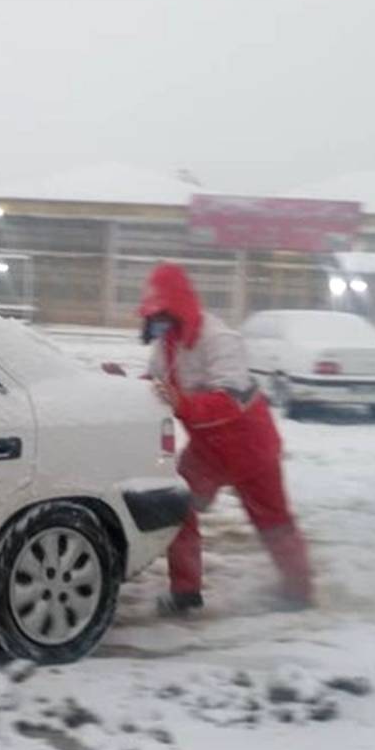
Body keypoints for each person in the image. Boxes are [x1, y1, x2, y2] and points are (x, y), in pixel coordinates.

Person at [139, 262, 314, 614]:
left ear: (179, 307)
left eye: (164, 313)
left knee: (273, 521)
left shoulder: (220, 340)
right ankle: (185, 591)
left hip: (251, 447)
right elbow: (153, 385)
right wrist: (124, 386)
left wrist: (182, 402)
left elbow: (231, 400)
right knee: (179, 506)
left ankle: (300, 592)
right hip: (208, 450)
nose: (159, 322)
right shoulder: (165, 347)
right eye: (154, 315)